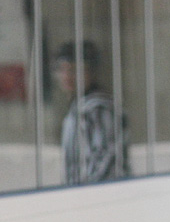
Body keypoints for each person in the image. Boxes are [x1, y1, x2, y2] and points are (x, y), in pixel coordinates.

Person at [54, 40, 130, 184]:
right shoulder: (79, 107)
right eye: (62, 69)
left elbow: (106, 161)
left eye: (75, 70)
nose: (66, 76)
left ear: (91, 71)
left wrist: (86, 195)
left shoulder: (98, 108)